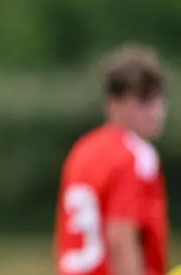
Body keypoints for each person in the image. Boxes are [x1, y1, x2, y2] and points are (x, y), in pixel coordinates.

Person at [54, 44, 169, 275]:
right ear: (114, 102)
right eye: (144, 100)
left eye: (158, 98)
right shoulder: (135, 154)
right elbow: (121, 237)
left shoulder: (82, 149)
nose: (156, 110)